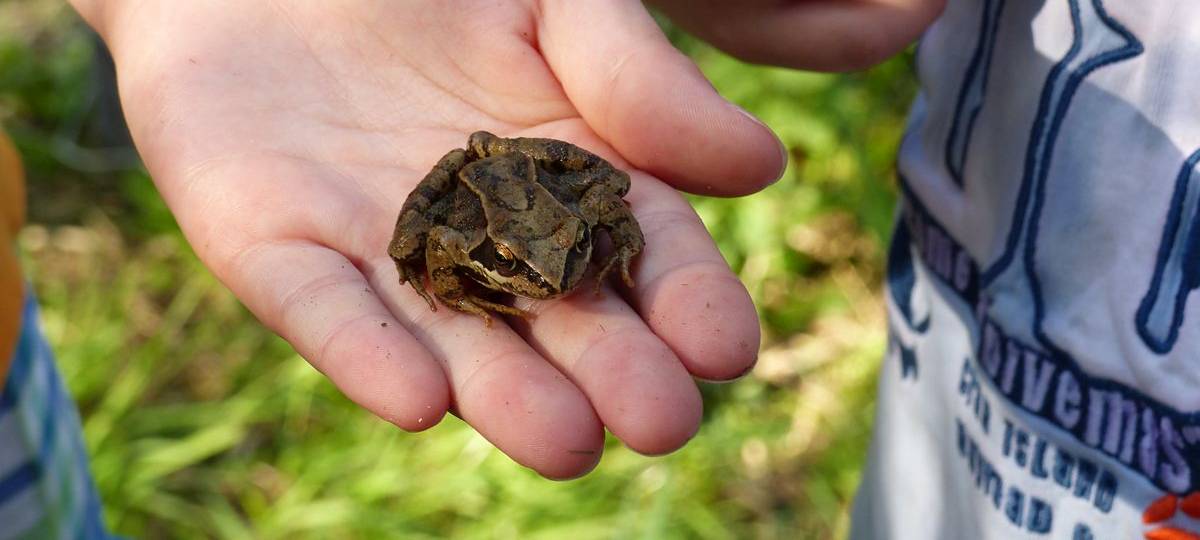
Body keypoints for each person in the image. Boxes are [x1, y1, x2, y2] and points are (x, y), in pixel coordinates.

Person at [9, 0, 1197, 538]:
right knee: (433, 240)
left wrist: (586, 235)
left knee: (602, 197)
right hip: (480, 207)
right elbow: (431, 243)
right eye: (556, 269)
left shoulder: (580, 235)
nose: (571, 272)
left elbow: (607, 204)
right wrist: (467, 272)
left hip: (540, 190)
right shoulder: (483, 251)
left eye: (574, 264)